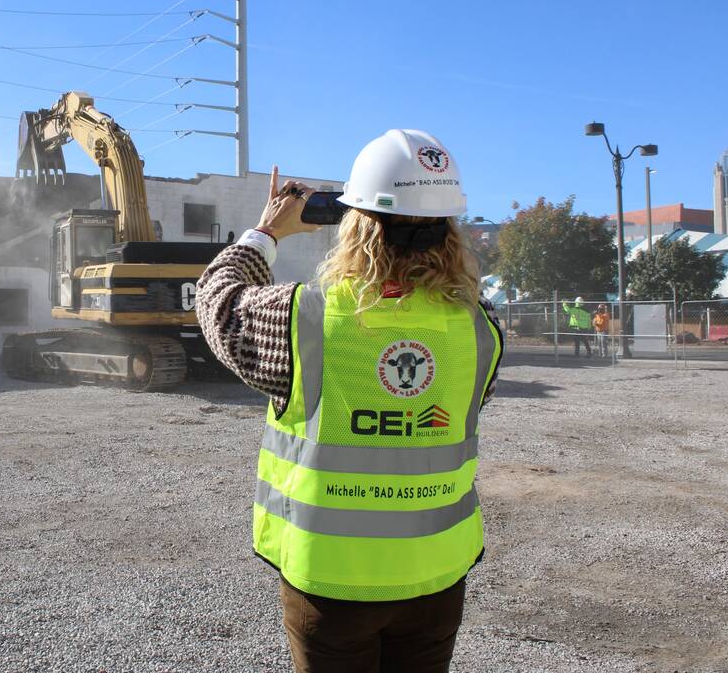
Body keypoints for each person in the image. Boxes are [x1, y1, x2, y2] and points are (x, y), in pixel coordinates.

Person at [196, 130, 503, 673]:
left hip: (331, 586)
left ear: (353, 223)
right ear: (449, 230)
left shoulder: (301, 318)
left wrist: (267, 231)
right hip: (435, 580)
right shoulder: (481, 331)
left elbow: (216, 297)